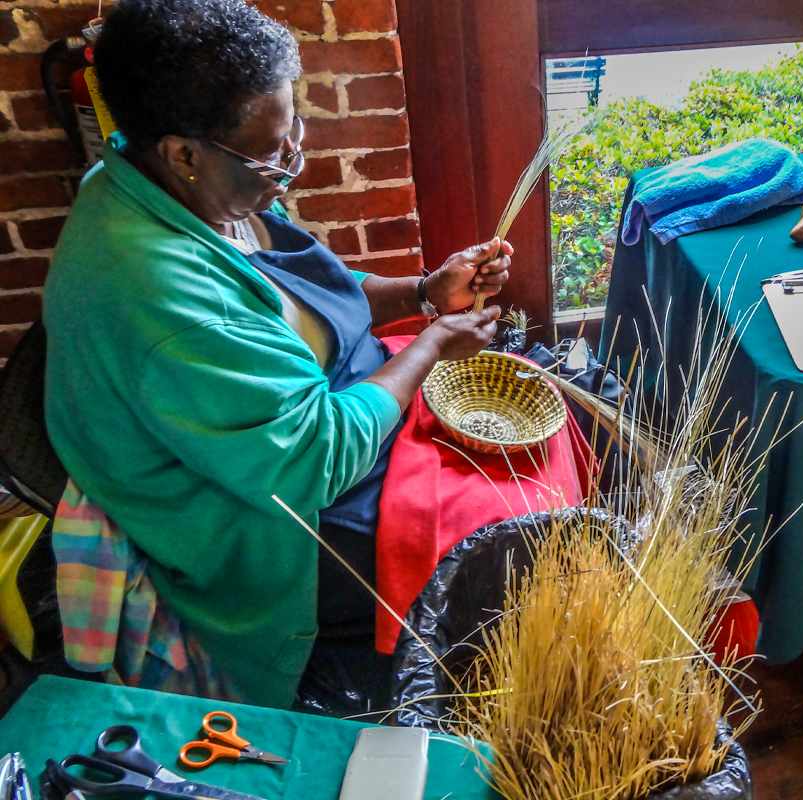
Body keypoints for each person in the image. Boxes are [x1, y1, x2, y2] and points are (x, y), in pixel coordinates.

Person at [42, 0, 520, 707]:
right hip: (266, 513)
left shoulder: (181, 185)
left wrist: (424, 293)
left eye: (293, 127)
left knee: (522, 463)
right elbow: (314, 462)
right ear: (184, 153)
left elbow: (309, 295)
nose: (293, 160)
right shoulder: (159, 287)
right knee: (496, 543)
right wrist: (432, 345)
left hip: (315, 423)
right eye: (272, 151)